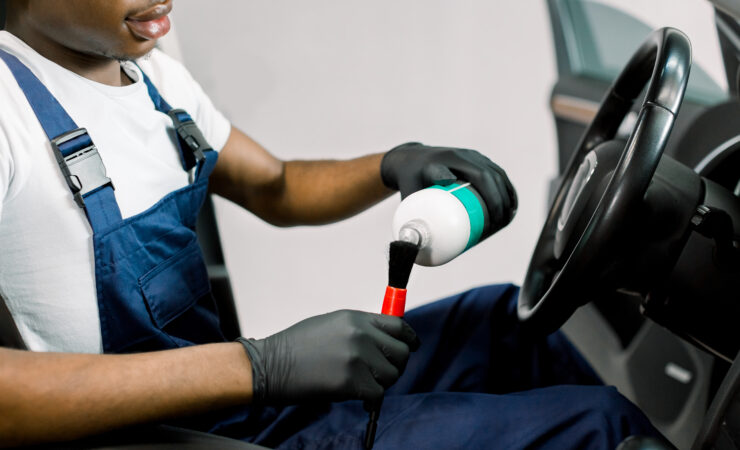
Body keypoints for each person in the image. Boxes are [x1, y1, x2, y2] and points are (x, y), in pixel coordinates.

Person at [0, 1, 661, 448]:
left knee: (503, 324)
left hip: (226, 398)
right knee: (598, 428)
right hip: (164, 435)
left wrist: (393, 165)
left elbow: (276, 185)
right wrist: (264, 365)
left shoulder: (149, 79)